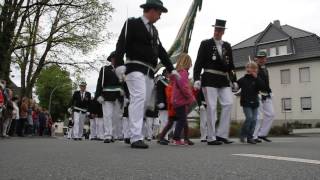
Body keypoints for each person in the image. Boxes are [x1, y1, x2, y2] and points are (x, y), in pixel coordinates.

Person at [113, 0, 180, 149]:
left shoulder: (154, 31)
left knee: (142, 102)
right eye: (159, 13)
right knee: (138, 98)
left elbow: (161, 51)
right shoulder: (132, 23)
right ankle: (136, 137)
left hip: (149, 70)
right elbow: (121, 42)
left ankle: (130, 134)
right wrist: (118, 64)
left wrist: (171, 68)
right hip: (134, 67)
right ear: (152, 10)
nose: (160, 16)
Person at [193, 19, 237, 145]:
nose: (217, 32)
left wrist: (234, 80)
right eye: (216, 29)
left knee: (228, 103)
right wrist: (196, 78)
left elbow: (231, 66)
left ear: (223, 31)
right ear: (214, 30)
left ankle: (222, 135)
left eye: (220, 30)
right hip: (209, 78)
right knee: (211, 107)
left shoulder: (227, 46)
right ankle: (211, 137)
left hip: (223, 79)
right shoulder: (205, 44)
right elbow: (198, 62)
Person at [95, 52, 123, 143]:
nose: (114, 59)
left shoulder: (122, 70)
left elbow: (125, 84)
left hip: (118, 95)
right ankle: (107, 135)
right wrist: (98, 95)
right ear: (110, 59)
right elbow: (100, 83)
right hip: (107, 95)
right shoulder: (104, 69)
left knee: (116, 117)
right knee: (107, 116)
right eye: (113, 58)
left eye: (116, 58)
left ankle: (113, 134)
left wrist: (126, 94)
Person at [170, 53, 196, 145]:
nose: (191, 65)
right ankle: (176, 138)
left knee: (183, 120)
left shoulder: (178, 73)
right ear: (187, 62)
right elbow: (184, 87)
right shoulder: (183, 73)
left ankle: (185, 139)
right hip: (181, 100)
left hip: (177, 100)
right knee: (182, 120)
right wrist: (191, 97)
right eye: (190, 63)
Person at [238, 62, 266, 144]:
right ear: (246, 69)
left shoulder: (256, 79)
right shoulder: (243, 79)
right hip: (246, 102)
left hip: (255, 102)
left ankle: (249, 137)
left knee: (254, 120)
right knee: (249, 118)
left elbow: (262, 87)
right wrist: (234, 85)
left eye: (253, 68)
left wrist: (257, 78)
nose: (251, 69)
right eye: (248, 67)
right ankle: (244, 135)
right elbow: (236, 86)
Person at [253, 51, 275, 143]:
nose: (261, 60)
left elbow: (266, 83)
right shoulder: (254, 67)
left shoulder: (265, 69)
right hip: (257, 93)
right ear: (256, 59)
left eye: (263, 58)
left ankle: (262, 134)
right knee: (258, 116)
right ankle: (253, 136)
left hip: (266, 94)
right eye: (259, 58)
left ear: (266, 59)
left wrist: (269, 91)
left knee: (271, 114)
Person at [155, 69, 170, 140]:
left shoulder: (171, 82)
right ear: (164, 73)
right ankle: (163, 137)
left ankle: (164, 136)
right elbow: (159, 92)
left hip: (170, 104)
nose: (169, 74)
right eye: (167, 72)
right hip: (163, 104)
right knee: (164, 121)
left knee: (169, 121)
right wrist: (160, 101)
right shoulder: (161, 81)